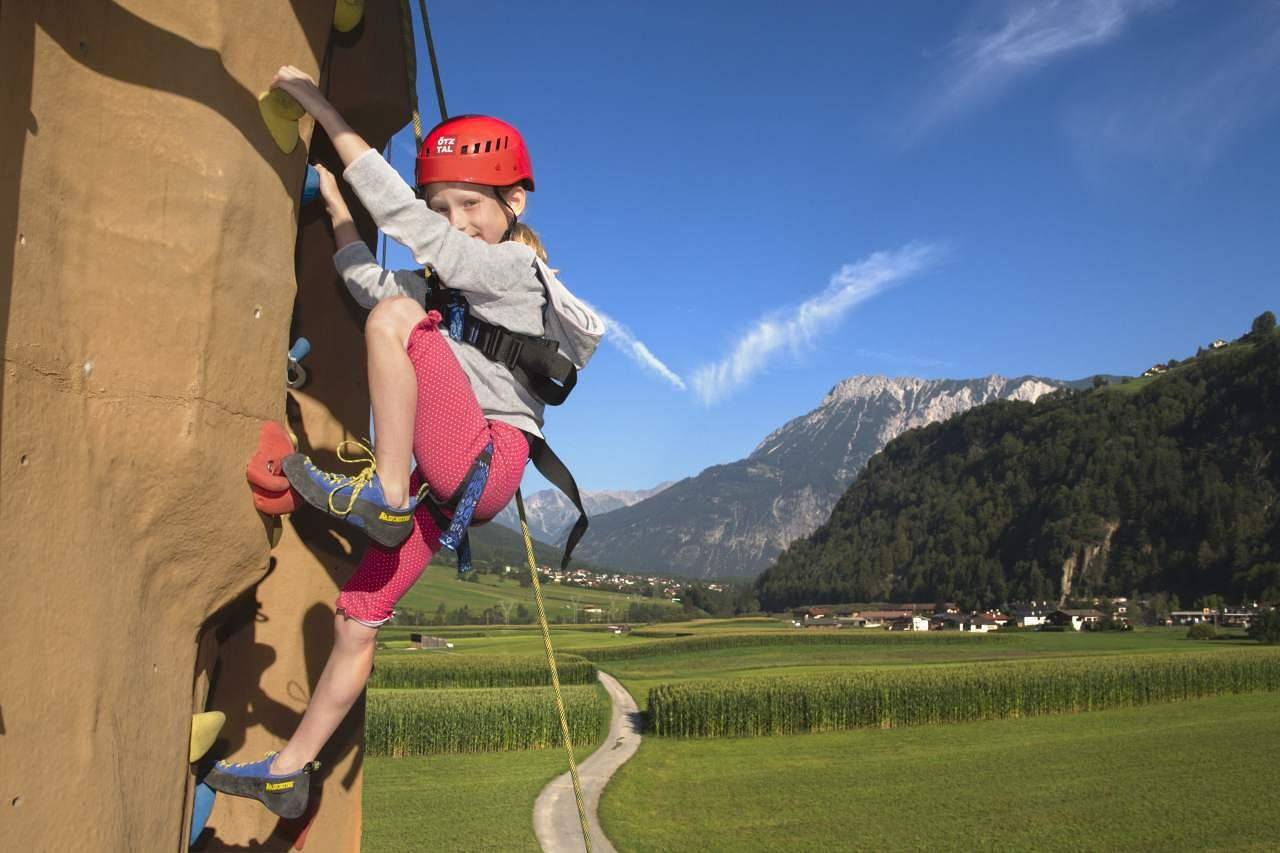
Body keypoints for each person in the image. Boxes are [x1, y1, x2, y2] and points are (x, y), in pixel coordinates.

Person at [205, 65, 601, 818]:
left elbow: (410, 247)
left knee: (394, 326)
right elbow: (368, 283)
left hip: (482, 461)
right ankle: (290, 770)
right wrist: (337, 212)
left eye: (472, 205)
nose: (454, 223)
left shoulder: (516, 269)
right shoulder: (446, 288)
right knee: (356, 617)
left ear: (512, 205)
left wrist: (321, 105)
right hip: (450, 483)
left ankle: (382, 496)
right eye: (441, 206)